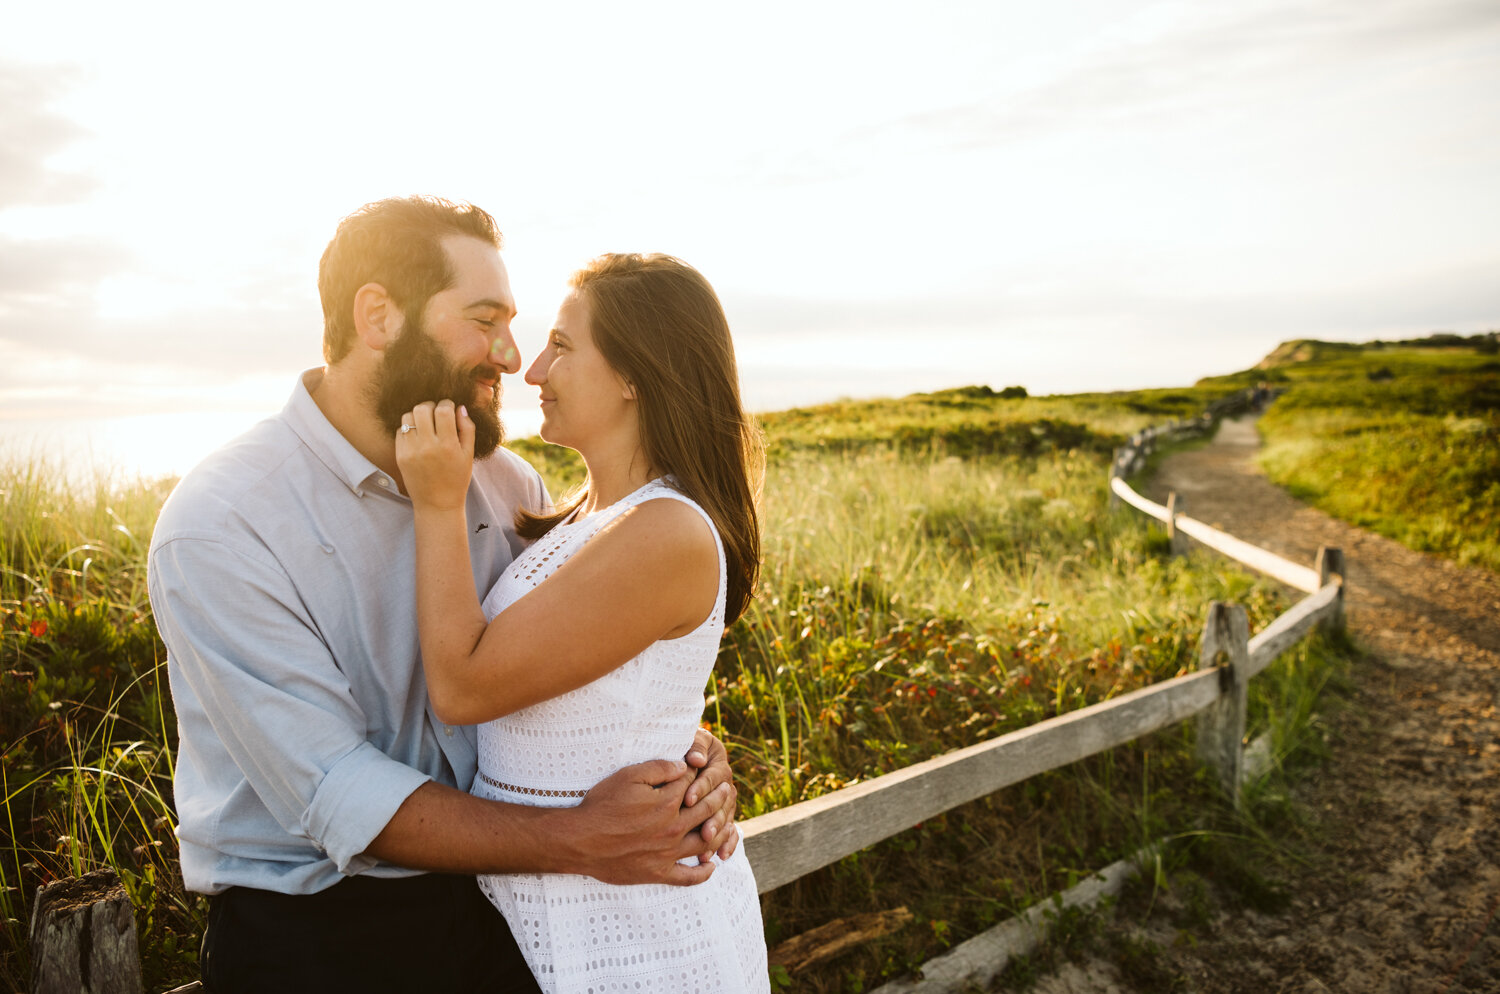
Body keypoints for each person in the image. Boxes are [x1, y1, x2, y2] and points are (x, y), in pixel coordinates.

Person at [147, 198, 740, 994]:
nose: (510, 354)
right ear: (379, 316)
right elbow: (339, 790)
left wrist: (683, 752)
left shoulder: (502, 480)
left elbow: (579, 660)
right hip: (320, 935)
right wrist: (579, 838)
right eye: (485, 319)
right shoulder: (222, 524)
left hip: (502, 905)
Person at [394, 252, 769, 991]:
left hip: (640, 944)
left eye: (562, 346)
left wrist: (437, 504)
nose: (533, 371)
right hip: (557, 918)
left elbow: (464, 690)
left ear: (635, 375)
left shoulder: (666, 532)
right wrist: (688, 742)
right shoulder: (586, 518)